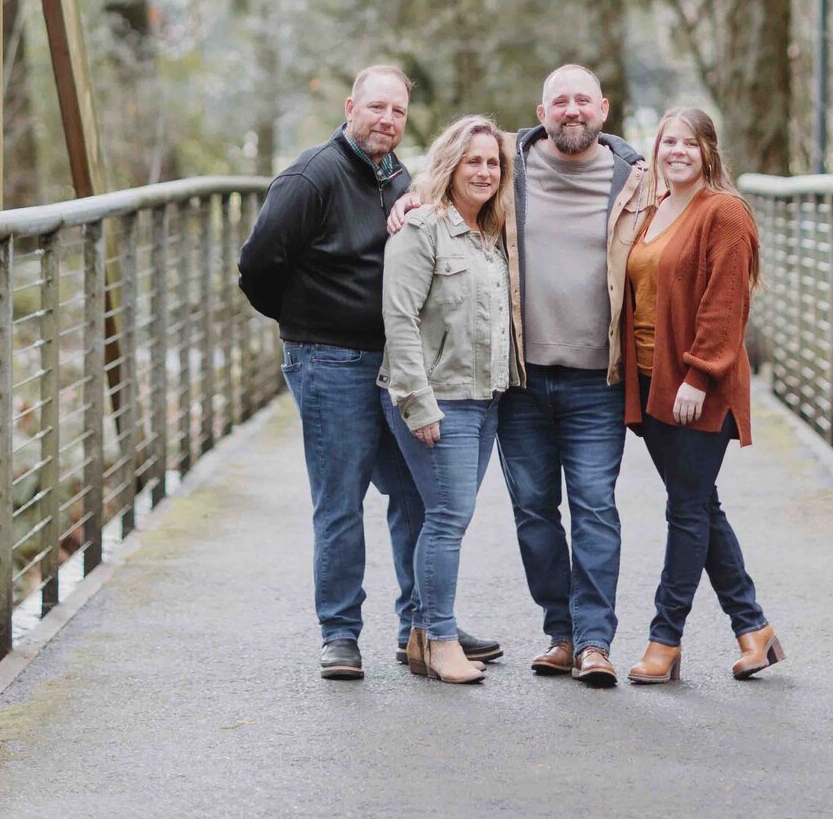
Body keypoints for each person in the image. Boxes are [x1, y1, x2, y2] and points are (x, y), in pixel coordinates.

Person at [237, 65, 501, 680]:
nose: (387, 120)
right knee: (340, 500)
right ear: (351, 106)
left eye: (398, 112)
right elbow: (256, 266)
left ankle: (422, 622)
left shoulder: (398, 177)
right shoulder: (313, 175)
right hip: (328, 361)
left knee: (412, 493)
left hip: (392, 364)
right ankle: (340, 634)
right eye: (376, 108)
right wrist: (308, 319)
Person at [390, 62, 645, 688]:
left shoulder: (636, 178)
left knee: (594, 507)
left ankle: (593, 642)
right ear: (540, 114)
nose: (572, 111)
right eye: (559, 101)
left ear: (604, 109)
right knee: (533, 511)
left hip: (597, 381)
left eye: (583, 100)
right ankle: (559, 633)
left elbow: (699, 191)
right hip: (522, 382)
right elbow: (458, 176)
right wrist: (411, 197)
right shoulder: (513, 168)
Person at [621, 107, 782, 687]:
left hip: (696, 387)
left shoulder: (725, 213)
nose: (677, 152)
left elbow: (724, 305)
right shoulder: (653, 208)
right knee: (699, 505)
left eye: (689, 143)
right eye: (668, 142)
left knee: (686, 511)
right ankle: (753, 629)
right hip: (649, 381)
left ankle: (665, 640)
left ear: (709, 151)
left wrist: (698, 375)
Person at [379, 116, 523, 684]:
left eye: (493, 162)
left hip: (486, 399)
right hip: (439, 400)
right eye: (474, 162)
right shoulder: (422, 229)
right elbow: (400, 317)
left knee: (445, 518)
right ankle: (440, 641)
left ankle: (421, 633)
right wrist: (418, 403)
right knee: (446, 520)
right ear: (450, 166)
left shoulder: (495, 234)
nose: (485, 171)